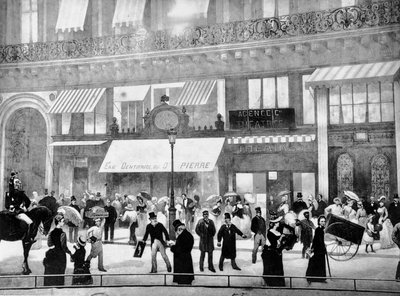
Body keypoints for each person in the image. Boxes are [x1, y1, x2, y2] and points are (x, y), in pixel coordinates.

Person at [43, 214, 72, 286]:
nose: (63, 222)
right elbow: (64, 246)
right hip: (60, 255)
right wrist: (70, 253)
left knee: (52, 271)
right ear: (58, 222)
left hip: (52, 255)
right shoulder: (63, 234)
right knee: (60, 272)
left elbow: (49, 244)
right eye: (62, 221)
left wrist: (53, 249)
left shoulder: (51, 233)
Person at [261, 216, 285, 286]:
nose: (279, 223)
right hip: (272, 253)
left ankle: (278, 283)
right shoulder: (270, 232)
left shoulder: (278, 232)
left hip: (278, 252)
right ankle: (271, 282)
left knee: (278, 267)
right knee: (272, 268)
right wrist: (281, 238)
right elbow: (275, 244)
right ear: (275, 224)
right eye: (277, 222)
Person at [170, 220, 195, 285]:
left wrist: (172, 247)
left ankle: (182, 282)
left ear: (180, 229)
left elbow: (179, 249)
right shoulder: (188, 234)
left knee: (182, 273)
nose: (177, 232)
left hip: (181, 258)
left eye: (177, 230)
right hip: (187, 256)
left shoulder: (182, 236)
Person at [306, 215, 327, 284]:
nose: (323, 222)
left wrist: (323, 244)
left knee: (320, 262)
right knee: (314, 262)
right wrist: (314, 248)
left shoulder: (321, 229)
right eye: (321, 221)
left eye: (324, 221)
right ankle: (311, 278)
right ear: (319, 222)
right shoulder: (318, 229)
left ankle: (320, 278)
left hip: (320, 248)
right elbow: (316, 240)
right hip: (318, 248)